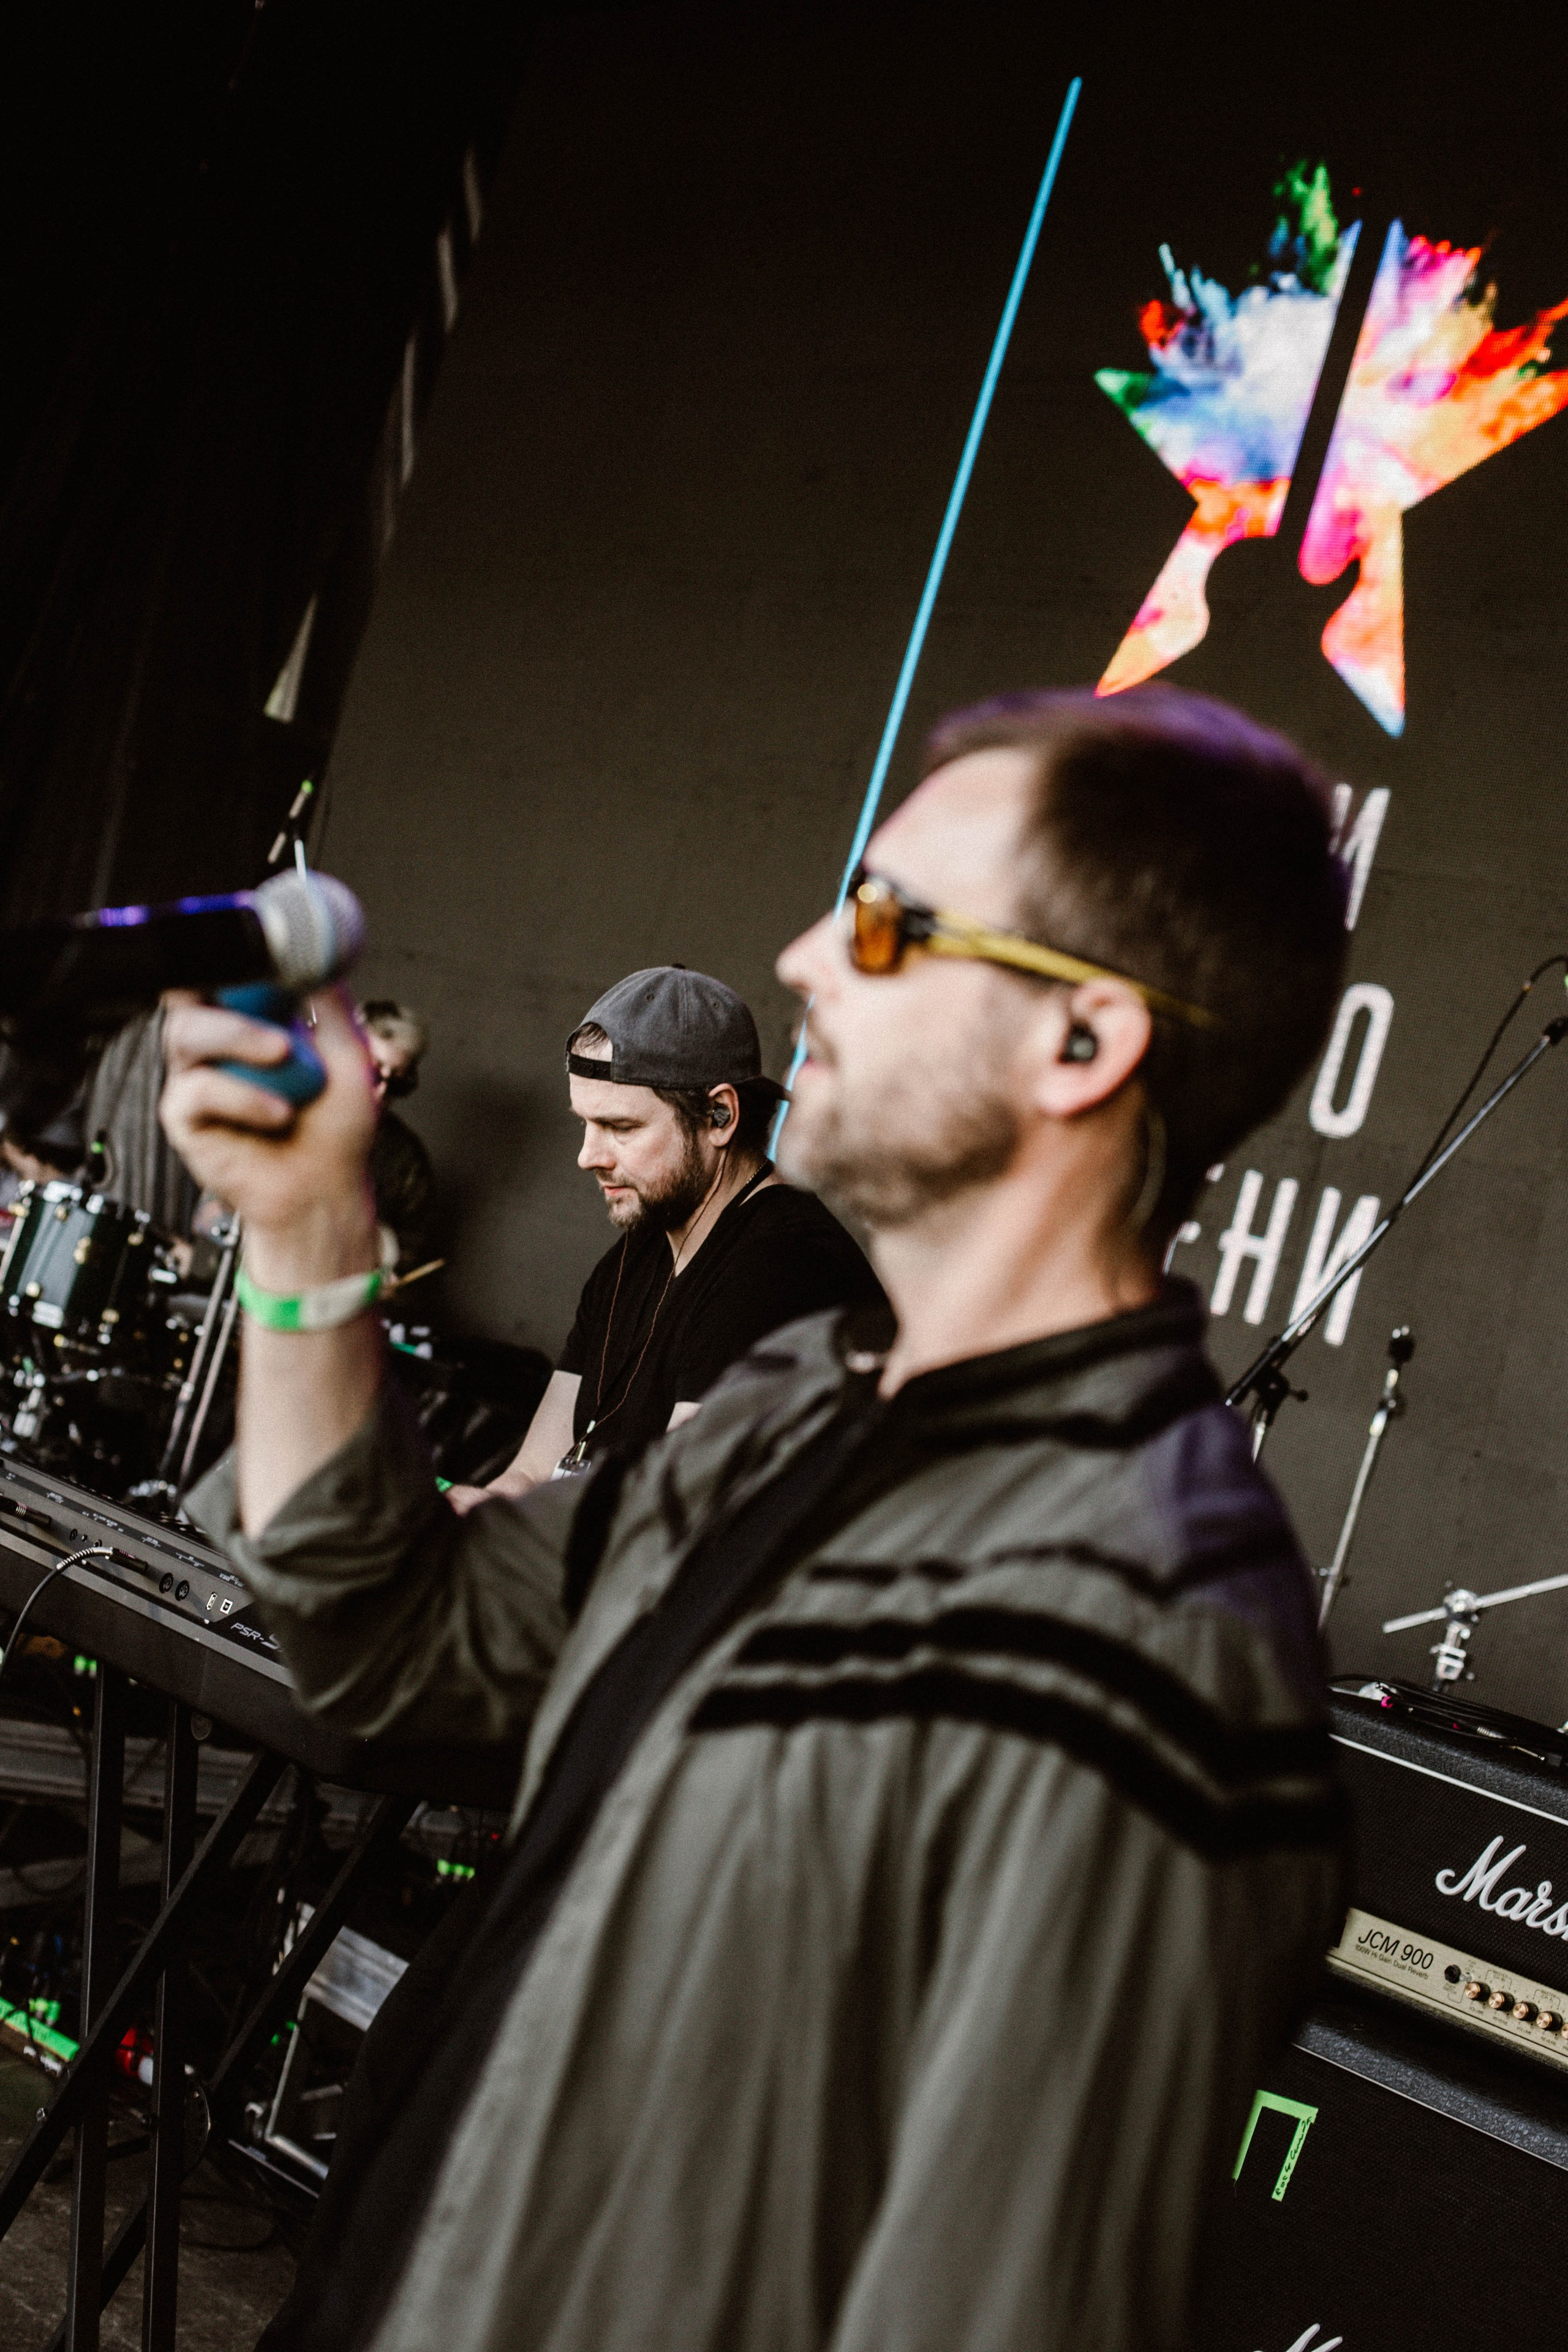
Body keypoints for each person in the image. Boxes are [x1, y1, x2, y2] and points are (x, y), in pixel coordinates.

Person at [164, 682, 1350, 2352]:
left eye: (885, 923)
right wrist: (303, 1237)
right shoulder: (802, 1410)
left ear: (1082, 1041)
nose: (805, 957)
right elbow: (395, 1641)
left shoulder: (1144, 1628)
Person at [446, 965, 883, 1510]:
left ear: (720, 1116)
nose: (588, 1157)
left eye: (621, 1128)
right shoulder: (639, 1249)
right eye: (585, 1123)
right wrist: (480, 1512)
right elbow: (533, 1471)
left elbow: (665, 1526)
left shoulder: (780, 1272)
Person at [361, 999, 436, 1274]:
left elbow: (411, 1246)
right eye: (373, 1072)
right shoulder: (285, 1112)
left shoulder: (405, 1158)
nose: (381, 1093)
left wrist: (386, 1272)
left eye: (394, 1082)